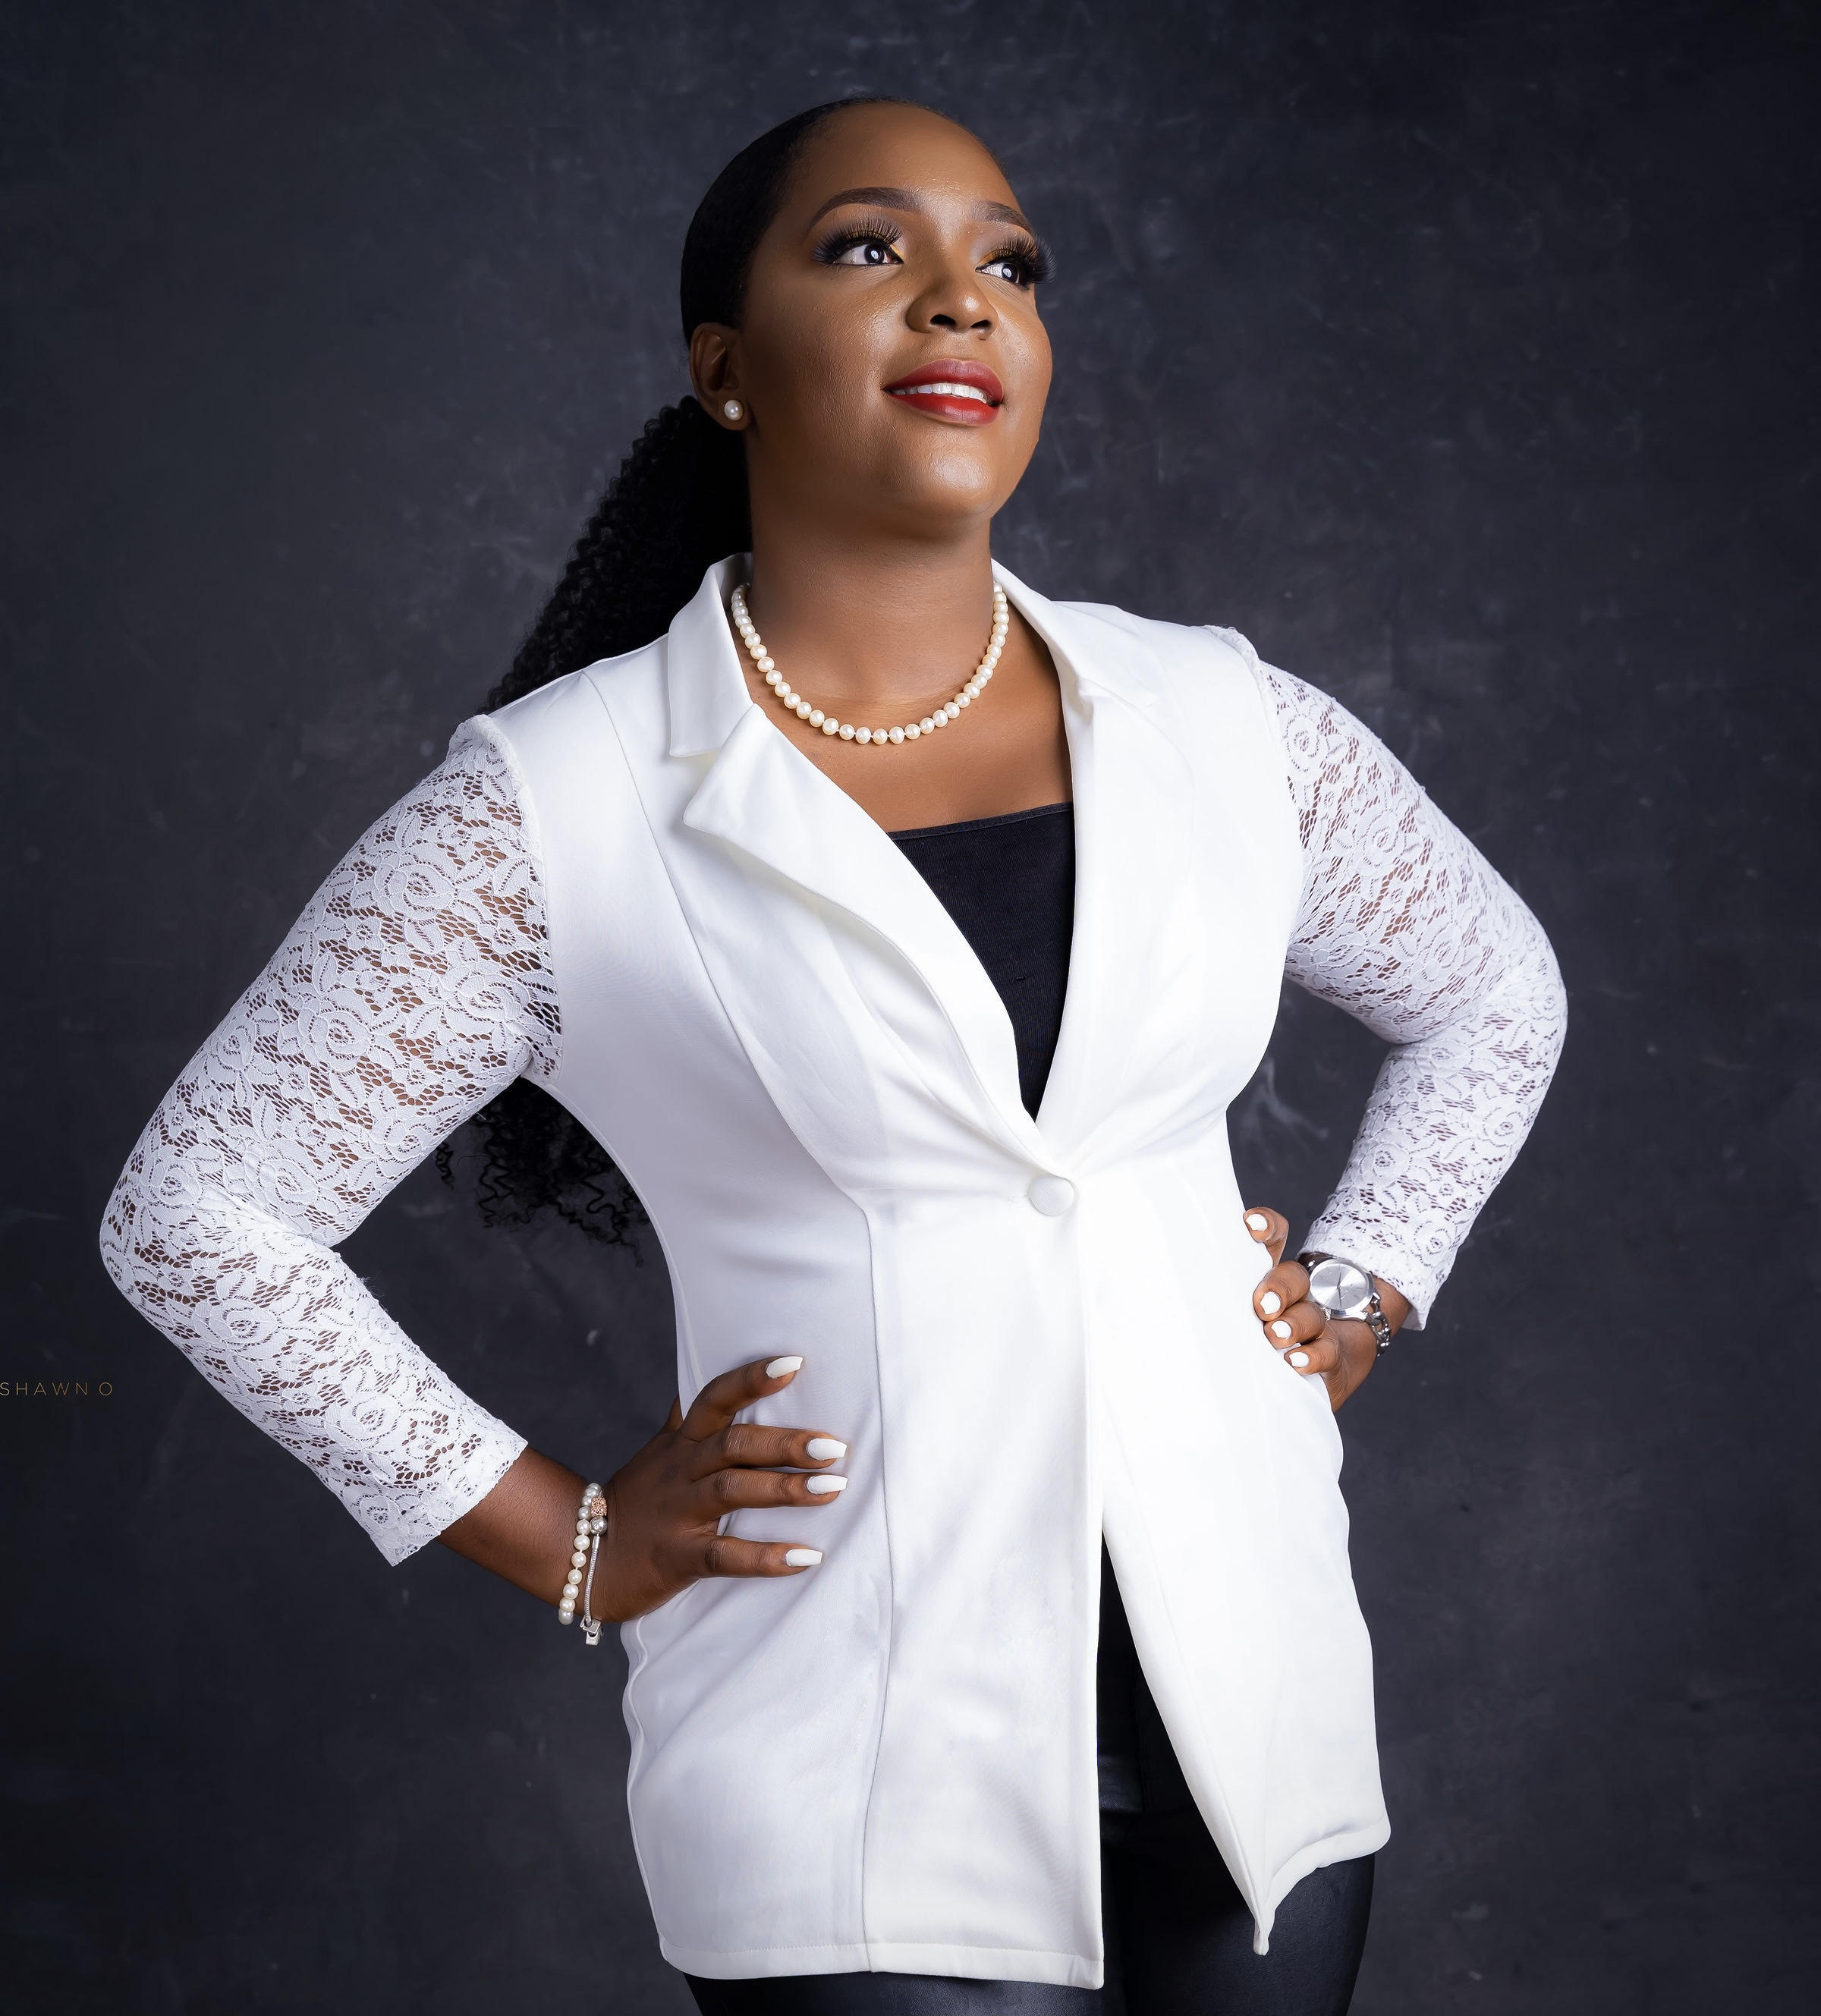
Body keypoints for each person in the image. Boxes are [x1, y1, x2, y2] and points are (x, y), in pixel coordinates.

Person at [99, 96, 1567, 2014]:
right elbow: (200, 1210)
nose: (965, 298)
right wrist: (567, 1535)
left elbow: (1493, 989)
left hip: (1262, 1732)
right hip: (853, 1778)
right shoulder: (553, 807)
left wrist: (1365, 1281)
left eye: (1011, 263)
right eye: (871, 248)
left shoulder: (1225, 719)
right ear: (725, 368)